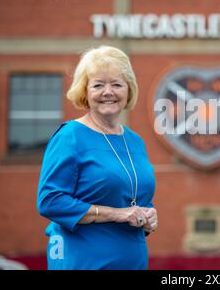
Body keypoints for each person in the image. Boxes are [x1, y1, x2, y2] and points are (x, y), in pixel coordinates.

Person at [37, 45, 157, 270]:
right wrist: (116, 214)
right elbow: (50, 201)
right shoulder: (70, 136)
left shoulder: (135, 142)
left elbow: (135, 200)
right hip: (84, 262)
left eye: (117, 84)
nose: (108, 92)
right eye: (98, 85)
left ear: (129, 90)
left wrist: (148, 217)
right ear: (85, 91)